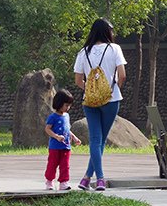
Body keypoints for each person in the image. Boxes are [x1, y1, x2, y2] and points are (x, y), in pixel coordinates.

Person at [73, 17, 127, 191]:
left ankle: (87, 178)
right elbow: (122, 74)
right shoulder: (115, 49)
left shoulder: (83, 52)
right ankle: (100, 179)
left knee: (96, 140)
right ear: (106, 31)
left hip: (89, 101)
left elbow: (78, 79)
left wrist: (92, 90)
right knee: (101, 140)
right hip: (111, 100)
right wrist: (110, 90)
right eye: (111, 30)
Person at [44, 89, 81, 190]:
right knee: (52, 164)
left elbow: (67, 130)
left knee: (65, 165)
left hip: (66, 146)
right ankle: (49, 181)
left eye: (69, 105)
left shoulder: (67, 116)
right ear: (59, 103)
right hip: (55, 147)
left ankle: (64, 182)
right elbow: (47, 129)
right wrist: (56, 136)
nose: (68, 108)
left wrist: (74, 137)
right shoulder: (53, 117)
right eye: (66, 105)